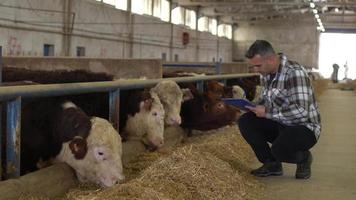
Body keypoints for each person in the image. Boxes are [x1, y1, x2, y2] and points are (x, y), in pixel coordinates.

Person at [238, 40, 321, 179]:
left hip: (304, 127)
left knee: (279, 150)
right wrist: (250, 106)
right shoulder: (266, 75)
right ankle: (271, 164)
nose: (255, 70)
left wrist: (267, 112)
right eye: (253, 66)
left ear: (270, 59)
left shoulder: (294, 73)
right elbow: (265, 100)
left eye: (258, 66)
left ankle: (304, 158)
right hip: (280, 123)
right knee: (246, 121)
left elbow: (301, 111)